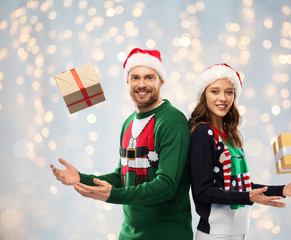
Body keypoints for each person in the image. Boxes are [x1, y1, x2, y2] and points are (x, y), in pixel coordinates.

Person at [50, 48, 193, 240]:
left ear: (161, 81)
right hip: (129, 234)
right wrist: (81, 178)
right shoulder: (128, 123)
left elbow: (166, 186)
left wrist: (113, 196)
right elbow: (122, 176)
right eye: (135, 78)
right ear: (127, 82)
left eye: (149, 77)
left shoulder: (172, 122)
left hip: (166, 235)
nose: (141, 84)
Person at [188, 63, 291, 240]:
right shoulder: (203, 133)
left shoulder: (230, 135)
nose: (223, 98)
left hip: (238, 231)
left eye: (229, 92)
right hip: (215, 233)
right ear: (204, 95)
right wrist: (248, 197)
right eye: (215, 91)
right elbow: (202, 192)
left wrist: (283, 190)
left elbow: (238, 186)